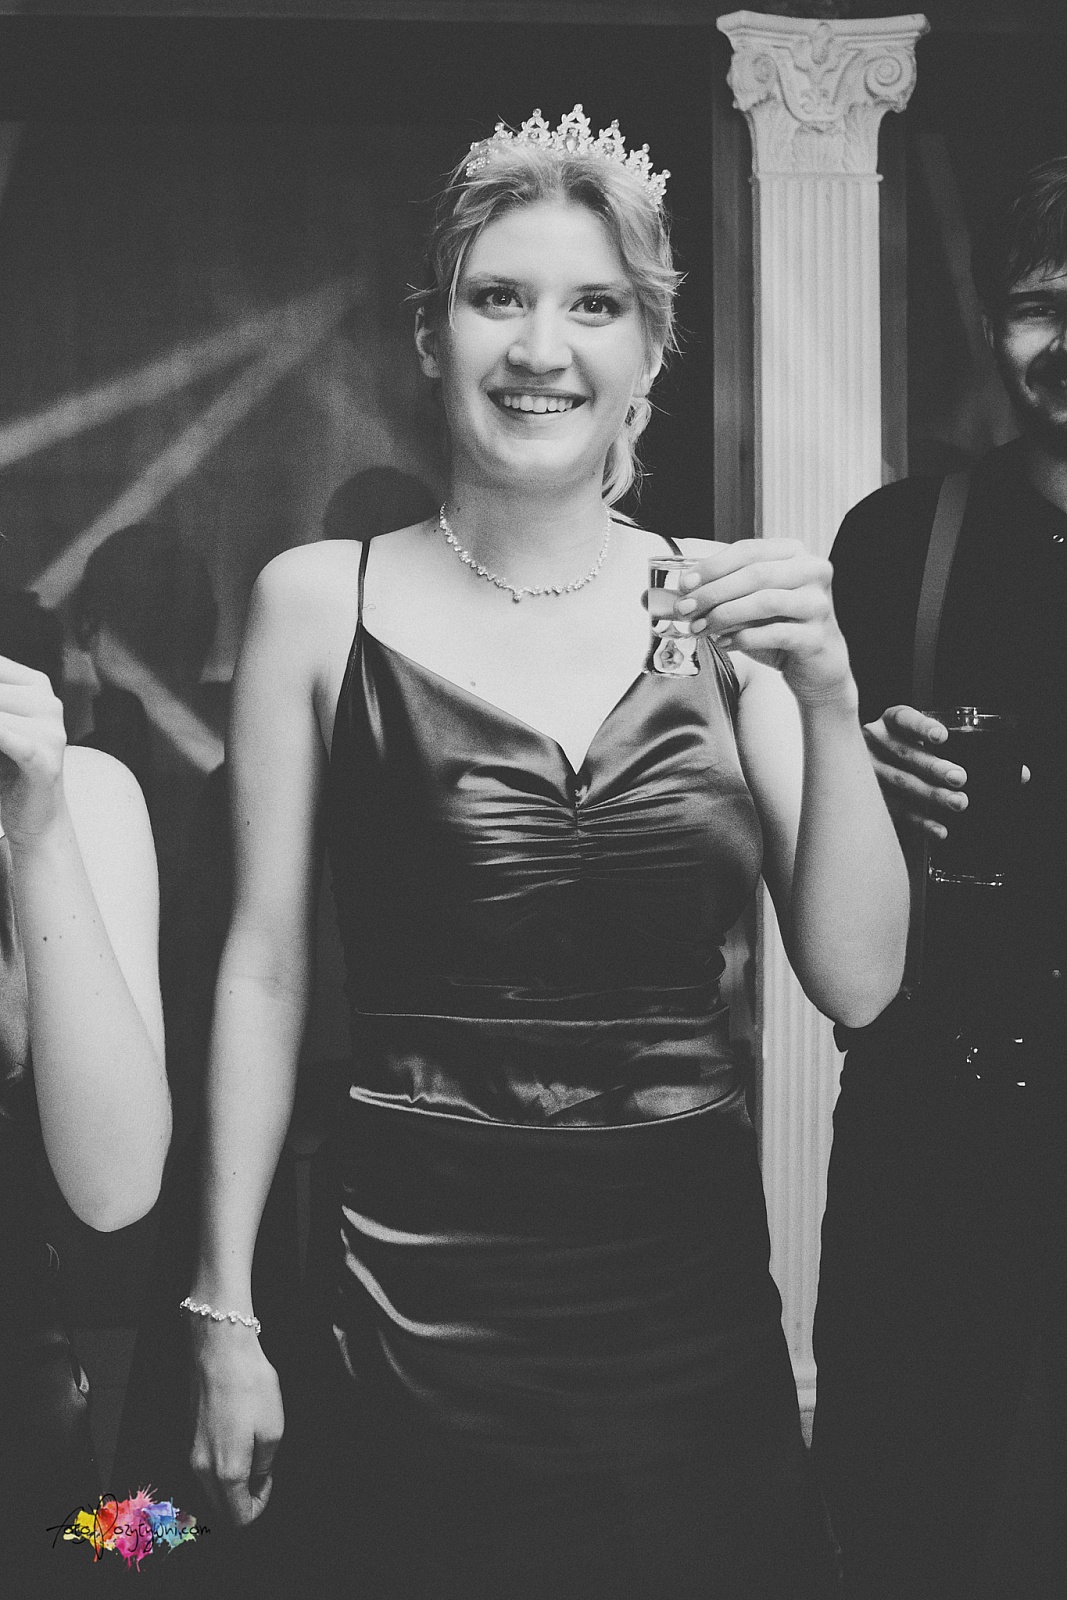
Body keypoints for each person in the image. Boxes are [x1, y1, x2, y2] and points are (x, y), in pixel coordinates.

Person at [187, 107, 907, 1599]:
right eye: (496, 297)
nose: (539, 347)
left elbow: (858, 980)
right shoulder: (318, 603)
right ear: (430, 334)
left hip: (685, 1302)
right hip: (404, 1288)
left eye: (594, 306)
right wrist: (224, 1311)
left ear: (649, 351)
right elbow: (261, 972)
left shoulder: (726, 614)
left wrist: (829, 694)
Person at [812, 156, 1067, 1598]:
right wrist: (854, 773)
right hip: (928, 1136)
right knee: (903, 1518)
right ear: (990, 327)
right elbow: (809, 842)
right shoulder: (897, 539)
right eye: (1039, 305)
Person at [0, 590, 169, 1592]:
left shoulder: (76, 792)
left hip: (19, 1409)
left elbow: (116, 1189)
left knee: (125, 1541)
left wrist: (40, 832)